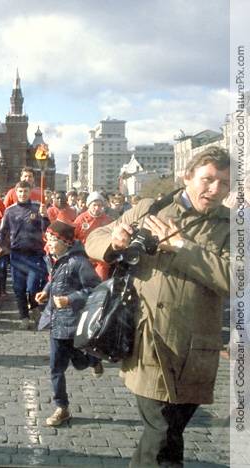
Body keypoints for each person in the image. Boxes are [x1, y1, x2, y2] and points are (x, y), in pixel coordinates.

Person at [85, 147, 231, 467]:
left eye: (223, 183)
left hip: (195, 351)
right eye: (207, 179)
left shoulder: (231, 227)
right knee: (163, 432)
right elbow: (94, 238)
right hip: (149, 341)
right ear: (186, 177)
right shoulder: (152, 207)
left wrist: (181, 247)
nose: (215, 189)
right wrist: (116, 239)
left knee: (167, 432)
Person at [34, 220, 103, 426]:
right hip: (56, 321)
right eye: (48, 238)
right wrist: (46, 292)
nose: (49, 242)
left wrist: (70, 299)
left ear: (65, 242)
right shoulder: (53, 257)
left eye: (54, 239)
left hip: (74, 322)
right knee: (56, 368)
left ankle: (93, 360)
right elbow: (55, 279)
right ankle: (62, 408)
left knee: (79, 363)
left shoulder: (79, 262)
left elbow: (95, 288)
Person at [0, 181, 49, 329]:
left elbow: (47, 229)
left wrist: (45, 217)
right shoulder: (10, 211)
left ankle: (34, 306)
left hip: (35, 255)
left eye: (25, 191)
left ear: (30, 191)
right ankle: (24, 317)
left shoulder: (38, 208)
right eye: (20, 192)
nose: (22, 194)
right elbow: (2, 231)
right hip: (17, 256)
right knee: (18, 289)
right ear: (15, 193)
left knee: (32, 288)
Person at [74, 191, 113, 279]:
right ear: (89, 205)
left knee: (99, 282)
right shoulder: (81, 219)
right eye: (94, 205)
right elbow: (73, 237)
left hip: (100, 258)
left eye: (99, 205)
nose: (97, 208)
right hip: (84, 256)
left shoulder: (108, 220)